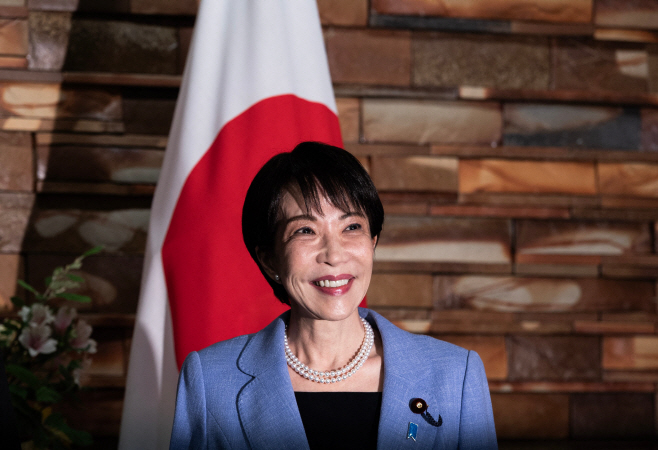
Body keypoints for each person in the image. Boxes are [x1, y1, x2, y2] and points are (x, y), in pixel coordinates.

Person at [169, 141, 497, 449]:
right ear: (269, 260)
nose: (335, 255)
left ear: (373, 242)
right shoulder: (210, 379)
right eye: (305, 231)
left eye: (351, 227)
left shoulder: (456, 374)